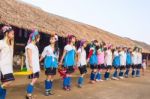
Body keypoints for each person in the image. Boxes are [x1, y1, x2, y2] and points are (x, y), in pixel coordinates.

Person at [0, 25, 15, 99]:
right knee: (9, 81)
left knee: (5, 84)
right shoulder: (1, 43)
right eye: (12, 33)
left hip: (9, 67)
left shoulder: (10, 45)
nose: (13, 35)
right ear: (6, 33)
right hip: (3, 67)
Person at [25, 30, 40, 99]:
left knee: (34, 79)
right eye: (38, 37)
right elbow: (29, 57)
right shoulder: (29, 46)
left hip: (36, 66)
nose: (39, 39)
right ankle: (28, 94)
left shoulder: (35, 46)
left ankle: (29, 93)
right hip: (32, 66)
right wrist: (31, 67)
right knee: (34, 80)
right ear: (35, 38)